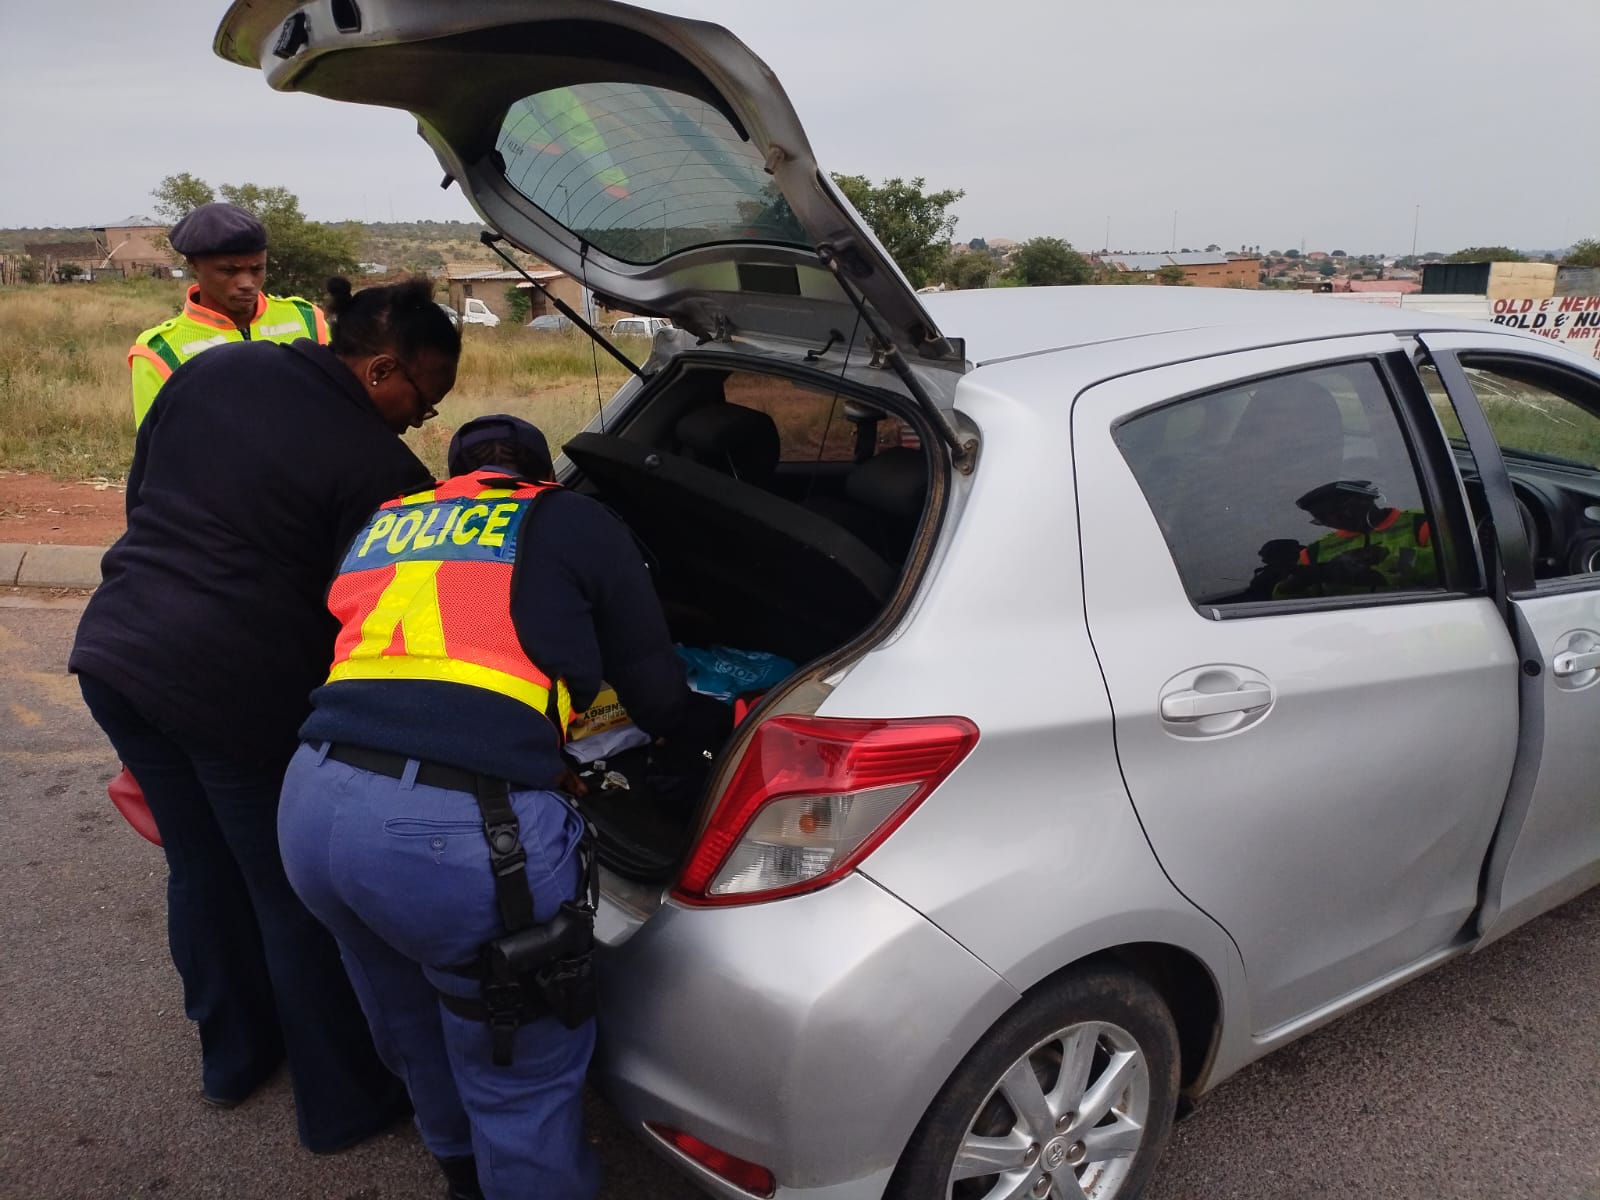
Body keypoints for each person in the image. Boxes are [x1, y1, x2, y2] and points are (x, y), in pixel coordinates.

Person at [277, 414, 731, 1200]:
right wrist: (733, 719)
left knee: (409, 1014)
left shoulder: (390, 520)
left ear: (454, 479)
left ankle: (457, 1167)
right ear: (541, 479)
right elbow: (657, 699)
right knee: (519, 1071)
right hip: (455, 836)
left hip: (312, 801)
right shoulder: (572, 520)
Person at [70, 276, 461, 1153]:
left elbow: (145, 497)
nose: (418, 422)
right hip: (229, 686)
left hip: (116, 650)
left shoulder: (216, 372)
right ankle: (342, 1104)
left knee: (199, 866)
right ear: (382, 369)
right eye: (422, 401)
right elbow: (366, 612)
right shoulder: (379, 468)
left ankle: (234, 1060)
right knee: (287, 890)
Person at [128, 201, 329, 429]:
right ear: (194, 264)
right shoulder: (161, 351)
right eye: (228, 271)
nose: (247, 283)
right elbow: (158, 450)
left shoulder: (307, 319)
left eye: (257, 269)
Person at [1272, 479, 1437, 597]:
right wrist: (1291, 586)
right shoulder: (1314, 553)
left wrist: (1387, 555)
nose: (1333, 520)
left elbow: (1449, 563)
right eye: (1322, 518)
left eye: (1340, 511)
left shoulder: (1422, 524)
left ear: (1367, 499)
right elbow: (1284, 607)